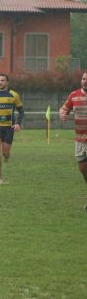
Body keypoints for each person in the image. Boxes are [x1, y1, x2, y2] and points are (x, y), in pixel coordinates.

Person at [59, 71, 87, 211]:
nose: (84, 81)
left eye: (86, 79)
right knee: (83, 169)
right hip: (79, 139)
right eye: (83, 79)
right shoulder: (74, 95)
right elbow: (64, 109)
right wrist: (63, 115)